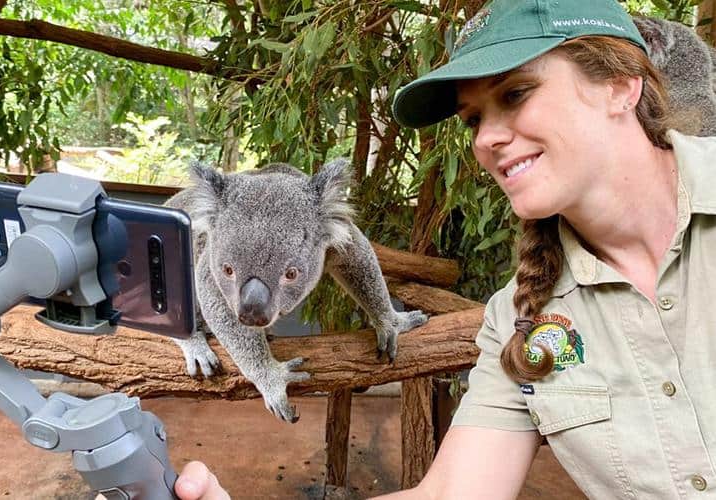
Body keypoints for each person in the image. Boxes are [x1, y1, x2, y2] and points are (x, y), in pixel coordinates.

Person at [177, 0, 716, 498]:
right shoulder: (520, 320)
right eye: (474, 119)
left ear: (621, 86)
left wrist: (382, 315)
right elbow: (449, 493)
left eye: (515, 94)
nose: (485, 140)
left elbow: (355, 256)